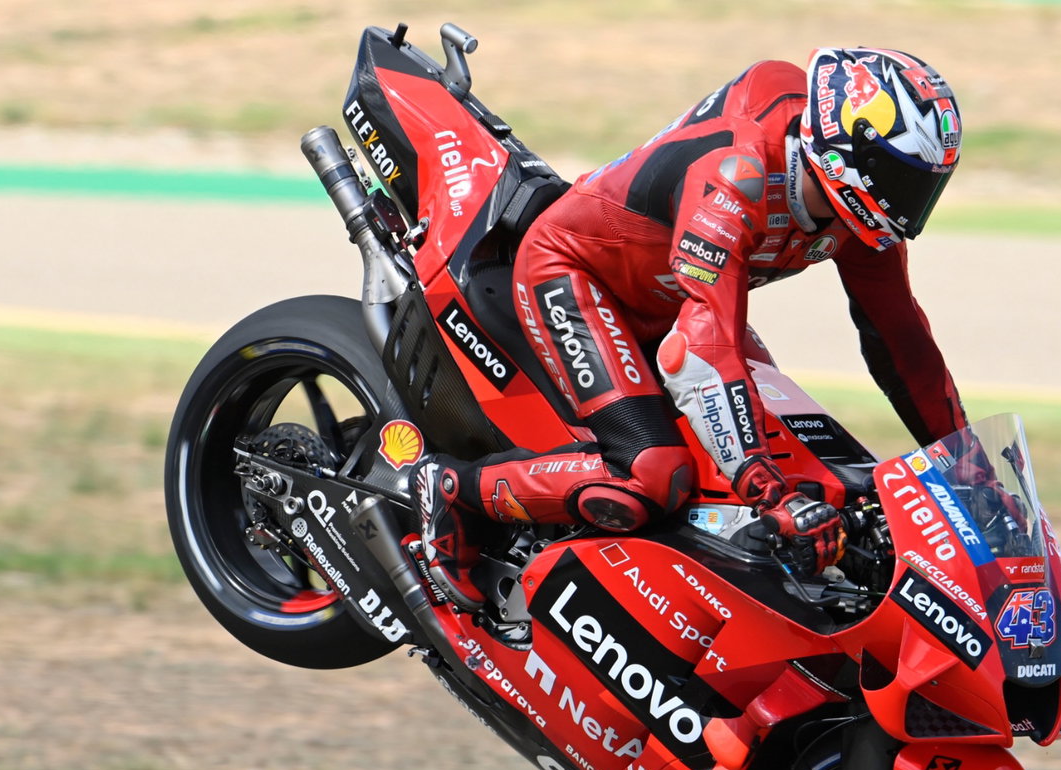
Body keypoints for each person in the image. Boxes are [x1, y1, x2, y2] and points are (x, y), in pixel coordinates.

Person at [413, 47, 969, 609]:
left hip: (681, 299)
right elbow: (704, 354)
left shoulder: (863, 216)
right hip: (577, 274)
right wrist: (768, 491)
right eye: (902, 180)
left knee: (815, 468)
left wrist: (968, 465)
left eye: (926, 186)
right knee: (656, 476)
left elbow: (903, 342)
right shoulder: (739, 177)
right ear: (848, 151)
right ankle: (454, 491)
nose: (909, 206)